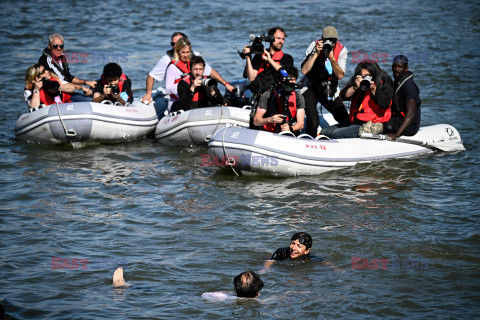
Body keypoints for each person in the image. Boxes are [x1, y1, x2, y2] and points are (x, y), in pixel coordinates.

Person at [142, 32, 234, 105]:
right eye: (172, 44)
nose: (175, 45)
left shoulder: (196, 57)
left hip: (198, 97)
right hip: (180, 98)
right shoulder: (168, 61)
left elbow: (211, 72)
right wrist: (148, 94)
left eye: (178, 43)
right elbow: (152, 76)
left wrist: (225, 84)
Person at [320, 61, 393, 139]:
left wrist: (374, 90)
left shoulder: (383, 84)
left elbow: (385, 104)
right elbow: (344, 96)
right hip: (355, 122)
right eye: (362, 76)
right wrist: (355, 87)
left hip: (372, 124)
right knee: (325, 132)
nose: (365, 78)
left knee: (338, 133)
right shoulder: (358, 85)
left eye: (368, 76)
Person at [301, 26, 350, 137]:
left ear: (336, 41)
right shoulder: (314, 46)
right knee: (313, 121)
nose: (330, 43)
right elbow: (304, 70)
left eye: (333, 41)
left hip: (328, 88)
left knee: (345, 119)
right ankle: (309, 140)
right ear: (322, 39)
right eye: (327, 40)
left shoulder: (342, 50)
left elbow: (340, 75)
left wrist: (332, 58)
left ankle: (334, 136)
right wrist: (316, 54)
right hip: (311, 87)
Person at [38, 33, 96, 102]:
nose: (59, 48)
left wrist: (86, 82)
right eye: (55, 46)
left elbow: (68, 77)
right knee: (88, 101)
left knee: (92, 98)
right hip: (55, 94)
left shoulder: (62, 57)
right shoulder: (45, 60)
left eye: (61, 46)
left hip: (67, 91)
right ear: (49, 46)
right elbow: (57, 81)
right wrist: (82, 87)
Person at [253, 65, 305, 134]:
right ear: (280, 81)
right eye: (286, 81)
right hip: (269, 132)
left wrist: (290, 128)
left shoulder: (298, 97)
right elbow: (256, 121)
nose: (289, 83)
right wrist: (270, 119)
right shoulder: (268, 95)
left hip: (289, 131)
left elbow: (301, 124)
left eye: (292, 80)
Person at [242, 26, 294, 94]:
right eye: (278, 38)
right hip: (260, 91)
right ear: (270, 39)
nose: (281, 41)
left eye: (283, 39)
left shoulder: (287, 58)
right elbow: (251, 78)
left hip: (277, 93)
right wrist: (248, 57)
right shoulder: (260, 55)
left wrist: (270, 61)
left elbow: (286, 74)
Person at [382, 55, 421, 140]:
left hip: (410, 126)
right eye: (394, 66)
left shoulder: (409, 86)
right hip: (398, 119)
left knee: (383, 126)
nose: (396, 69)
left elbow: (411, 112)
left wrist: (397, 134)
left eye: (400, 67)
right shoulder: (398, 80)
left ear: (406, 68)